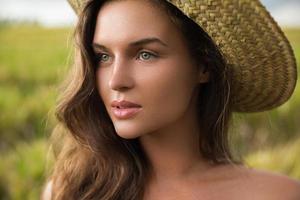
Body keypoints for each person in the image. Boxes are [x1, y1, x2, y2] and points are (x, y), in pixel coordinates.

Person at [43, 0, 300, 199]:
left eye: (145, 55)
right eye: (103, 56)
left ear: (203, 66)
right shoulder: (71, 191)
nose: (116, 81)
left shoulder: (279, 195)